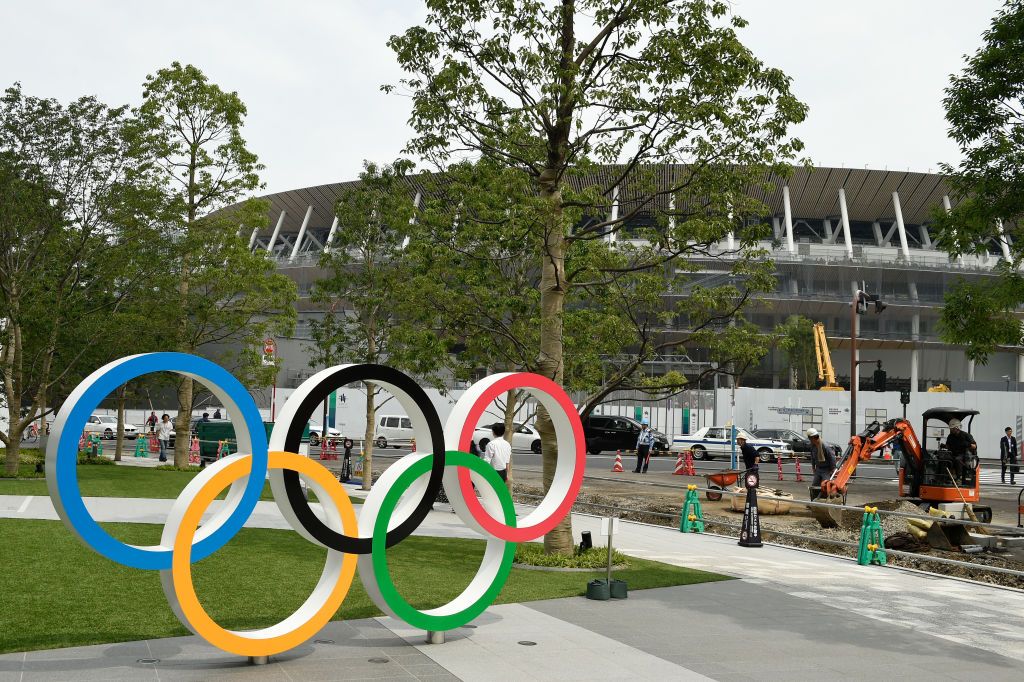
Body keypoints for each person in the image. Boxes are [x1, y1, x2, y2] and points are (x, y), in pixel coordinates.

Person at [945, 418, 977, 484]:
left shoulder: (966, 435)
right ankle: (947, 476)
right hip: (952, 453)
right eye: (951, 428)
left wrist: (967, 444)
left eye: (952, 428)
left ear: (957, 428)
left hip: (964, 455)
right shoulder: (950, 436)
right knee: (945, 459)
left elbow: (974, 446)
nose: (951, 430)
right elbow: (947, 446)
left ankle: (959, 477)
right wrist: (944, 446)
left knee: (957, 459)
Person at [807, 428, 835, 500]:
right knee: (814, 486)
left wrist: (832, 469)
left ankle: (826, 503)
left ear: (812, 438)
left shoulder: (825, 446)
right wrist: (813, 467)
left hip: (826, 469)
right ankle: (814, 502)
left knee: (825, 486)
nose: (810, 440)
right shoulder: (812, 446)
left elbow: (832, 458)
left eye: (810, 438)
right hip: (818, 469)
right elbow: (812, 457)